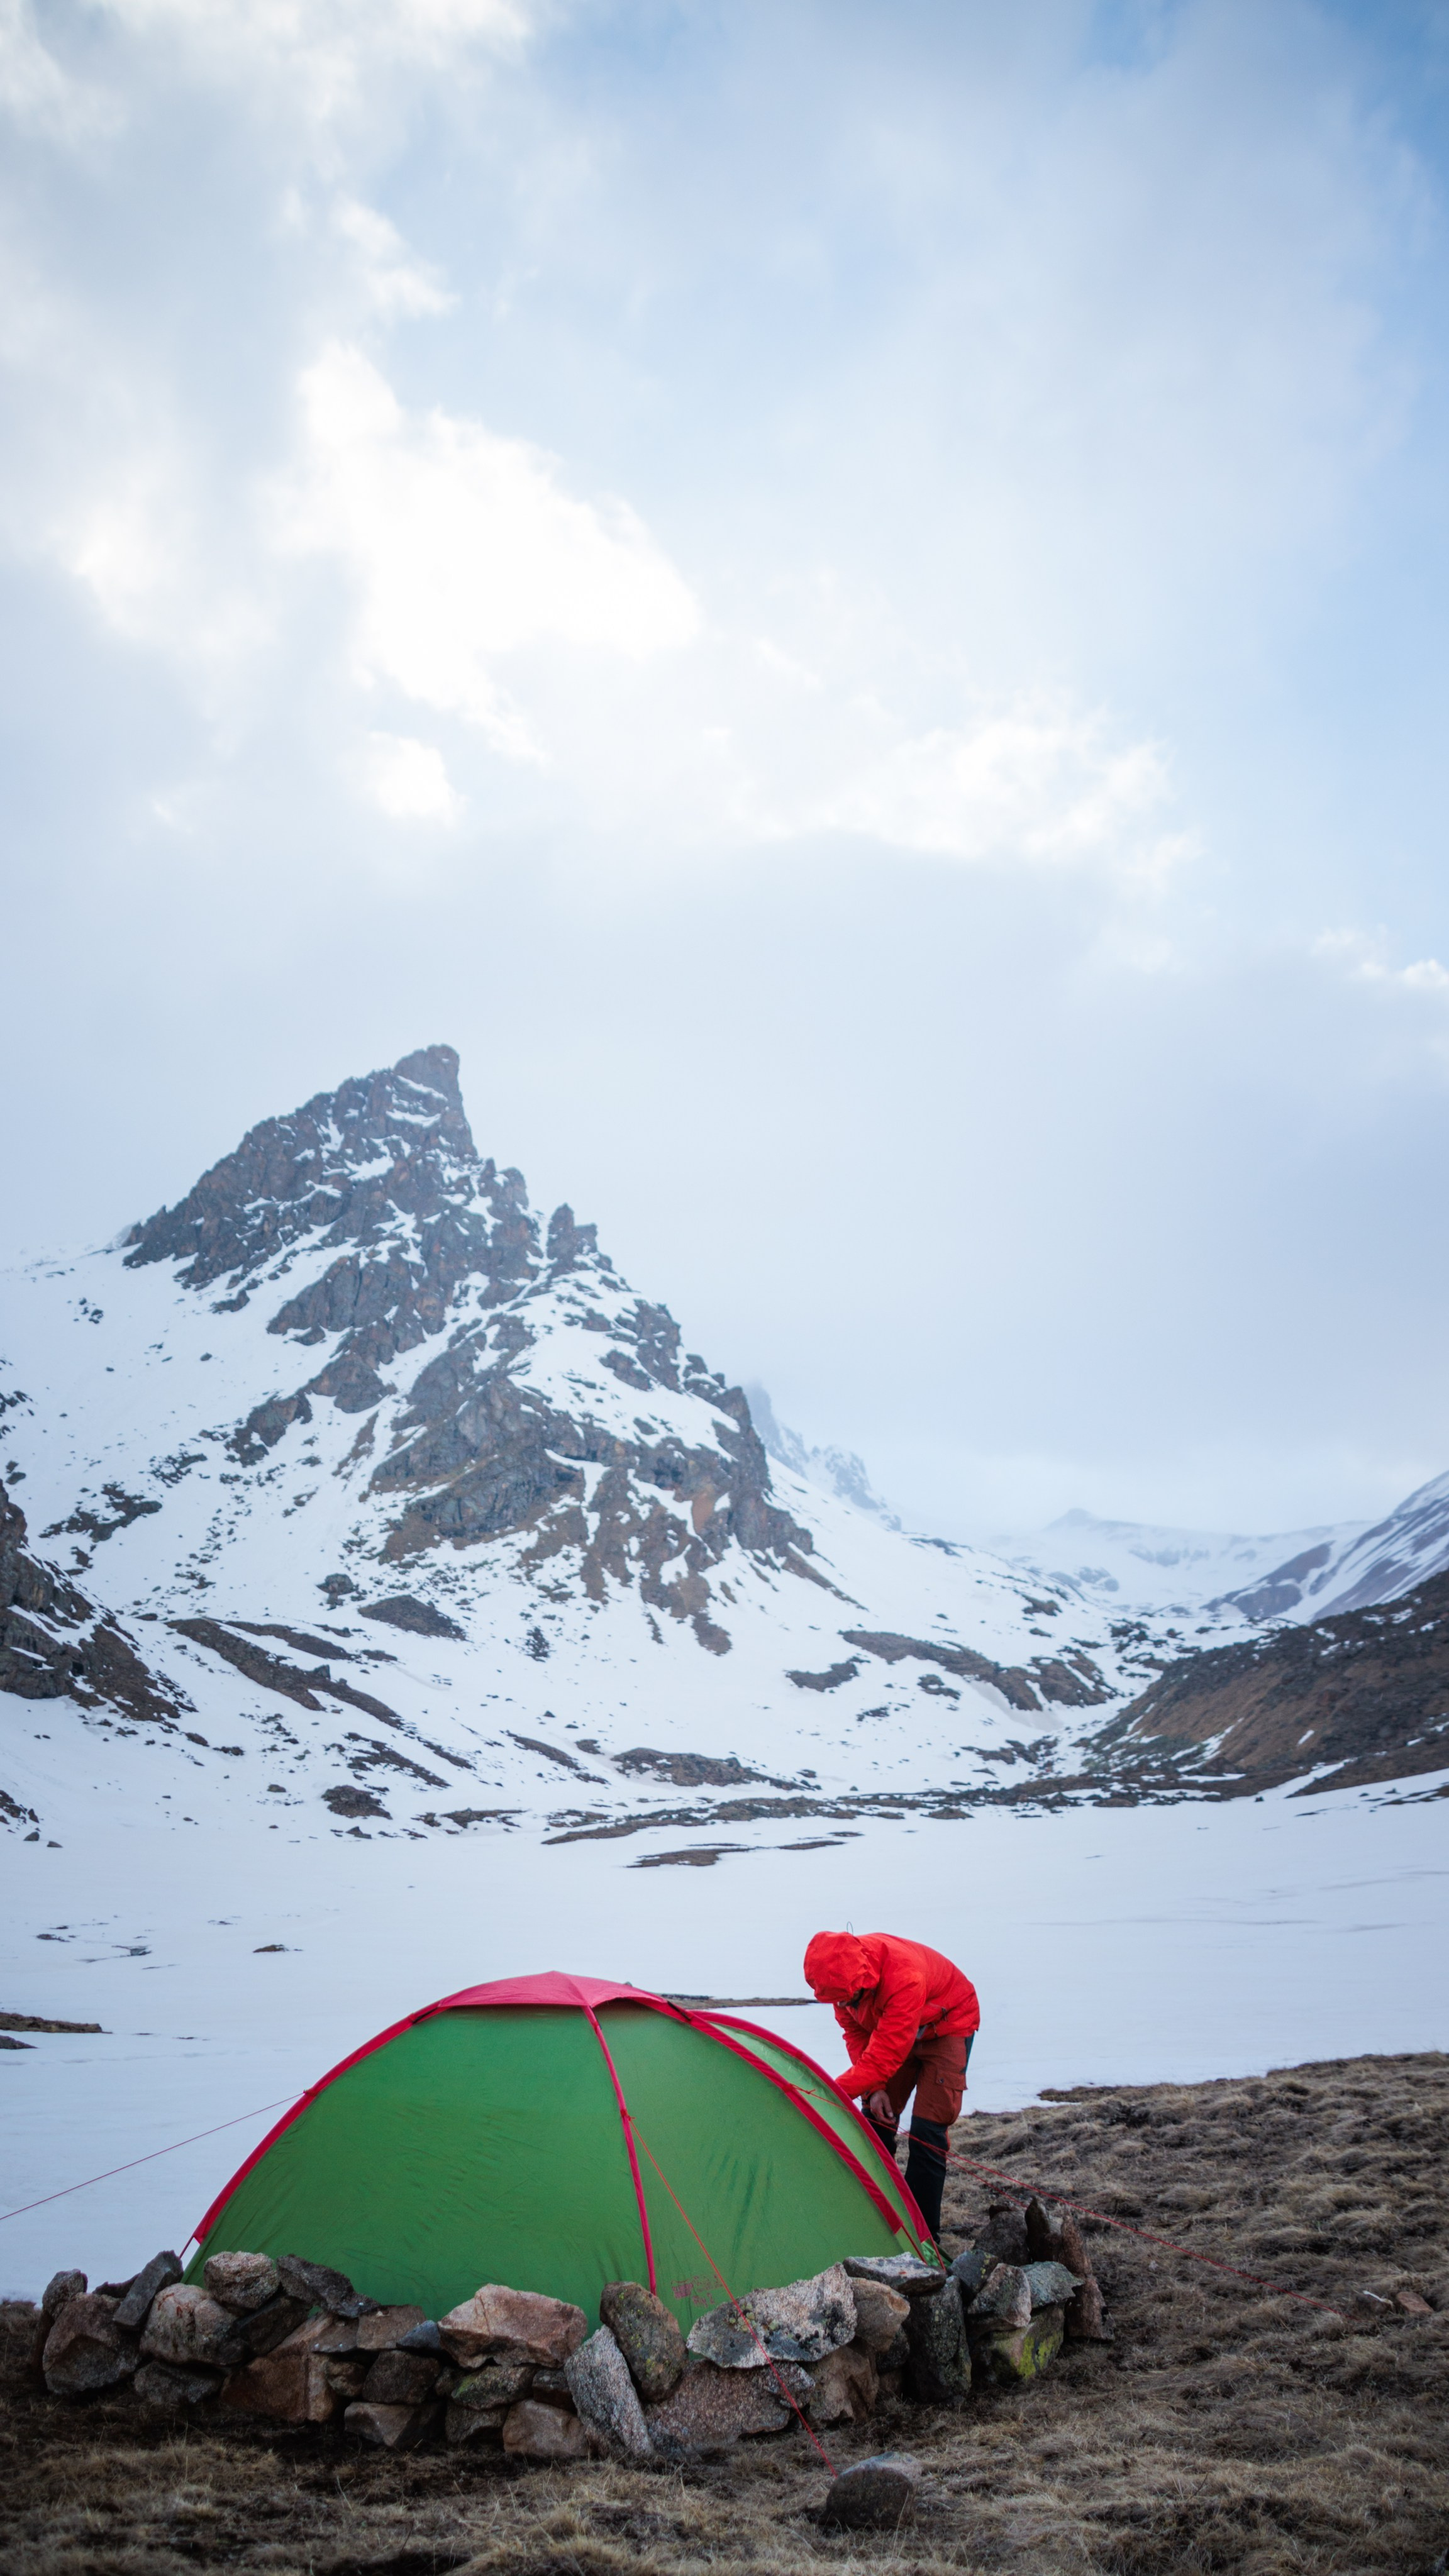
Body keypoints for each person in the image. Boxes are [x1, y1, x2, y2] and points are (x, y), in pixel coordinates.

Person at [804, 1928, 979, 2245]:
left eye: (847, 1998)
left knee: (928, 2132)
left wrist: (822, 2096)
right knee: (875, 2118)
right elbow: (857, 2035)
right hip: (899, 2030)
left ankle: (924, 2239)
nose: (842, 2004)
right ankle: (876, 2219)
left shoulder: (903, 1977)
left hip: (949, 2024)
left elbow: (882, 2058)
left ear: (863, 1981)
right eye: (836, 2000)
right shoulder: (841, 1983)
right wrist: (875, 2090)